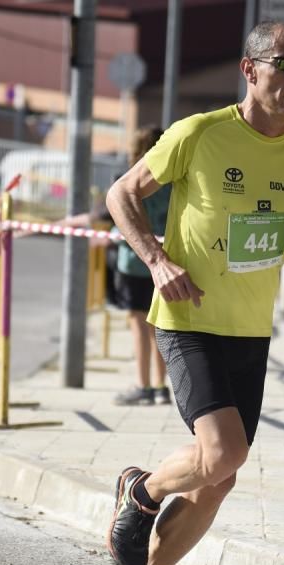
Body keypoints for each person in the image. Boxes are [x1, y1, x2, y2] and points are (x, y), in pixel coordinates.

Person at [102, 20, 284, 565]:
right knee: (224, 455)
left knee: (222, 477)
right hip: (187, 319)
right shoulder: (199, 133)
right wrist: (156, 260)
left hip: (249, 332)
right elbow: (121, 193)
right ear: (250, 69)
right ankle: (144, 492)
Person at [111, 127, 172, 406]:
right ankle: (161, 387)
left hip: (134, 262)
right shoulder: (170, 181)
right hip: (165, 262)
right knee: (159, 327)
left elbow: (118, 213)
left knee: (139, 326)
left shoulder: (132, 180)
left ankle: (143, 385)